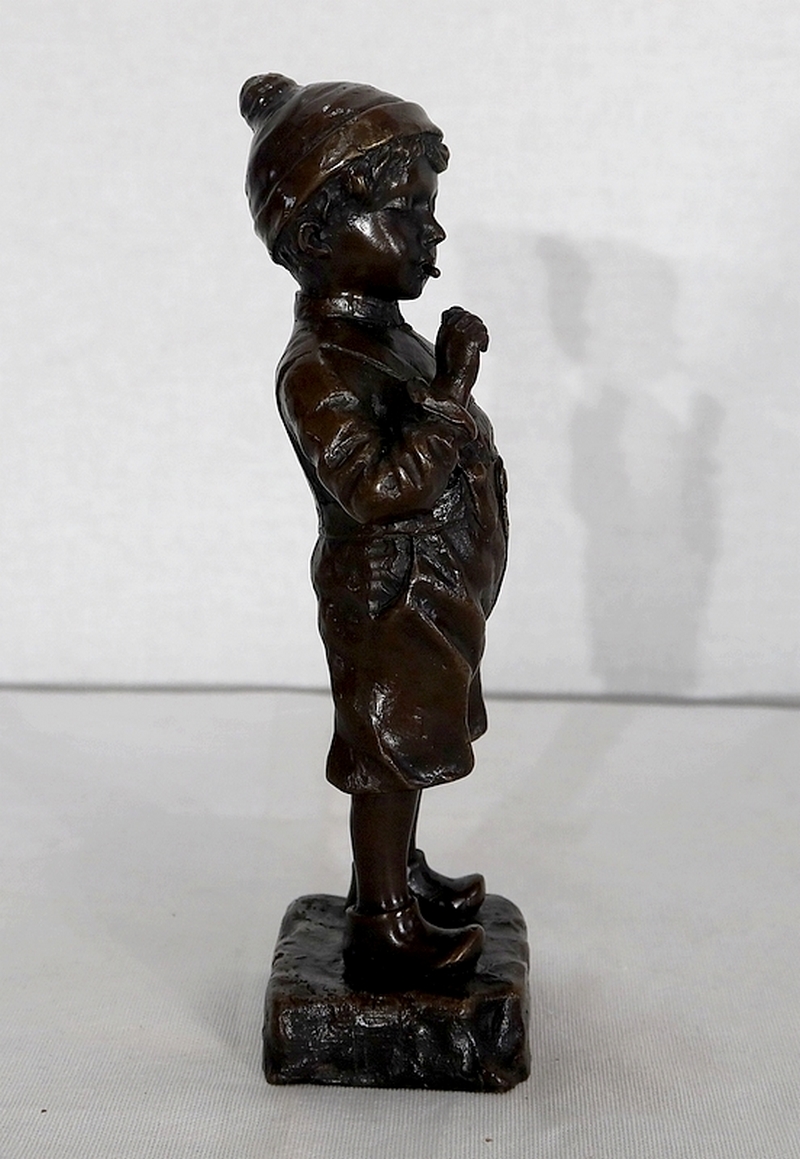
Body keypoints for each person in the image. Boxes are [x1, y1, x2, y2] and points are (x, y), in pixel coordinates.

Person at [240, 74, 508, 989]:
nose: (433, 234)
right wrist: (453, 391)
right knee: (385, 756)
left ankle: (395, 876)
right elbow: (378, 489)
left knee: (411, 746)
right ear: (318, 237)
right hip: (389, 602)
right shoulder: (318, 367)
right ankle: (381, 920)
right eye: (408, 212)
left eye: (430, 210)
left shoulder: (387, 339)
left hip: (431, 597)